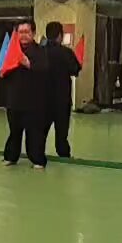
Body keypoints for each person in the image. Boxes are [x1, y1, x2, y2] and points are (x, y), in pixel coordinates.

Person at [2, 21, 49, 169]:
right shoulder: (12, 50)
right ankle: (11, 157)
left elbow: (44, 70)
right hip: (14, 99)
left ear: (33, 33)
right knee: (14, 131)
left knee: (34, 132)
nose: (23, 35)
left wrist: (28, 64)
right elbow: (4, 72)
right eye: (20, 32)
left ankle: (37, 159)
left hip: (33, 100)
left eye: (26, 32)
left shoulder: (40, 51)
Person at [42, 22, 81, 158]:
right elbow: (75, 70)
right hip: (62, 99)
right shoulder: (66, 53)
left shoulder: (40, 52)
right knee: (62, 132)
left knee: (41, 130)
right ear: (60, 35)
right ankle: (63, 154)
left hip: (43, 99)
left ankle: (37, 154)